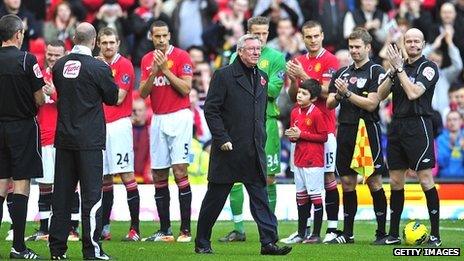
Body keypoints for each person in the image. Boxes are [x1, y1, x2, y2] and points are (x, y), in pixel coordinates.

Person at [195, 34, 291, 256]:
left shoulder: (263, 77)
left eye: (258, 49)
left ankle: (268, 243)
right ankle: (202, 242)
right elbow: (211, 109)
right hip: (228, 150)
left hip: (253, 149)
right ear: (240, 51)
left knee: (261, 199)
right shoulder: (223, 75)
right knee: (215, 199)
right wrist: (222, 138)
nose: (257, 52)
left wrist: (262, 139)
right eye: (251, 49)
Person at [48, 22, 119, 260]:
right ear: (95, 40)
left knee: (62, 196)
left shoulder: (59, 66)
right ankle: (92, 250)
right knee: (91, 198)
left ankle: (57, 250)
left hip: (64, 139)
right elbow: (111, 98)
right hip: (89, 140)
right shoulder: (98, 68)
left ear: (74, 38)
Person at [220, 16, 286, 243]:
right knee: (235, 177)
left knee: (268, 178)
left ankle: (270, 228)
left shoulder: (276, 58)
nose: (261, 38)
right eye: (256, 34)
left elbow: (274, 90)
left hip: (266, 122)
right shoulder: (234, 56)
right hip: (239, 124)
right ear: (248, 33)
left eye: (265, 33)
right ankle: (238, 228)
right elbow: (229, 87)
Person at [377, 28, 441, 246]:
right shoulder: (398, 67)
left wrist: (400, 70)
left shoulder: (429, 67)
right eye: (409, 41)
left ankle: (436, 235)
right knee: (395, 180)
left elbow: (414, 93)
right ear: (403, 44)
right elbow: (381, 94)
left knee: (424, 179)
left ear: (423, 44)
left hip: (419, 124)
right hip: (397, 126)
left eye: (416, 41)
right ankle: (393, 234)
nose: (412, 45)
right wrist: (393, 71)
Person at [326, 28, 388, 244]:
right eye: (351, 47)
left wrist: (348, 94)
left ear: (368, 47)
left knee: (373, 180)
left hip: (366, 129)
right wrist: (339, 95)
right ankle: (348, 233)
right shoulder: (342, 73)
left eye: (357, 47)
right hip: (345, 129)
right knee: (347, 181)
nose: (353, 51)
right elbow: (329, 103)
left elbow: (372, 103)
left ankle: (381, 233)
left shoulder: (376, 71)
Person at [285, 20, 340, 243]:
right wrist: (292, 80)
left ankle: (332, 229)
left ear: (322, 35)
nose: (313, 40)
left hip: (324, 129)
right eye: (308, 37)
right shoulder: (298, 61)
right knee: (303, 182)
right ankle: (304, 230)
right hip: (301, 131)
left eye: (316, 36)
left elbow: (328, 91)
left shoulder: (330, 60)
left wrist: (303, 75)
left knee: (327, 176)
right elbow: (292, 97)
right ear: (303, 38)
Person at [139, 20, 193, 242]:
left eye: (164, 36)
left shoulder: (182, 56)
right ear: (151, 37)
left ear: (170, 35)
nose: (160, 40)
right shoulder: (145, 59)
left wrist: (165, 70)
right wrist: (153, 73)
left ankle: (186, 230)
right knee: (159, 173)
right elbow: (142, 93)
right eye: (156, 36)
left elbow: (186, 88)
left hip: (179, 116)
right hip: (159, 119)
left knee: (180, 170)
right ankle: (165, 229)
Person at [25, 40, 81, 243]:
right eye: (50, 54)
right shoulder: (38, 74)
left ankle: (73, 229)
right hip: (44, 137)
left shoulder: (70, 75)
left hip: (64, 137)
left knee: (69, 184)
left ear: (64, 54)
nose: (52, 58)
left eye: (57, 55)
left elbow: (77, 101)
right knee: (44, 184)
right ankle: (44, 229)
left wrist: (54, 94)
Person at [0, 14, 45, 260]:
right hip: (22, 127)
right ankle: (18, 246)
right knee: (21, 185)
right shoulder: (28, 60)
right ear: (18, 34)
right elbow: (40, 99)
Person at [96, 27, 141, 242]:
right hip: (99, 126)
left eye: (111, 42)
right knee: (104, 178)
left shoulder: (124, 65)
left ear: (118, 43)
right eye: (104, 43)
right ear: (97, 44)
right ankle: (105, 226)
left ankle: (135, 228)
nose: (108, 46)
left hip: (119, 126)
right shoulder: (95, 64)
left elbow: (118, 98)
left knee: (126, 175)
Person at [285, 79, 327, 244]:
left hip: (314, 161)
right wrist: (292, 135)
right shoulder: (295, 112)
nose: (299, 95)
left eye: (304, 93)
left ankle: (316, 234)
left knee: (315, 197)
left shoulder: (317, 113)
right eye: (299, 92)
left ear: (313, 98)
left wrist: (301, 134)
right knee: (301, 197)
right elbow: (296, 136)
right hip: (299, 160)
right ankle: (301, 233)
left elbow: (323, 137)